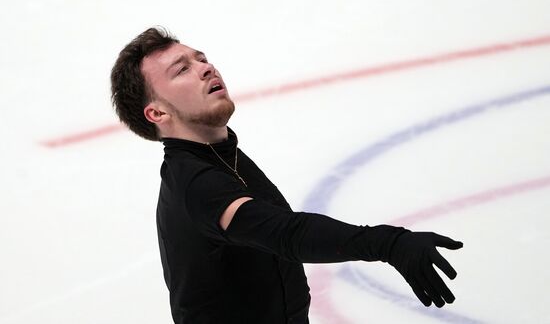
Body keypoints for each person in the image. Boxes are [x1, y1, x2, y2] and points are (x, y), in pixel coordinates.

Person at [110, 27, 463, 324]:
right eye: (181, 70)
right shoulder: (196, 182)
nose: (206, 68)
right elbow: (286, 233)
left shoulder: (220, 152)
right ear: (156, 112)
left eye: (201, 58)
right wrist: (389, 243)